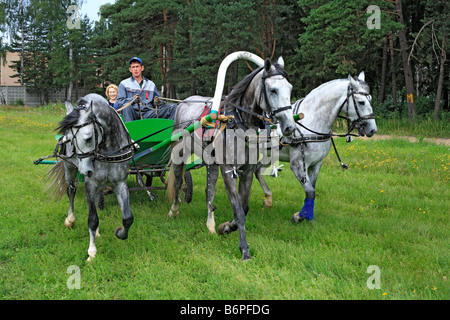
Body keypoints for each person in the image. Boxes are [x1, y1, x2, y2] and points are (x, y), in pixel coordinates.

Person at [116, 57, 177, 122]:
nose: (135, 69)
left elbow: (157, 104)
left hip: (148, 113)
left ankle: (170, 130)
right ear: (130, 69)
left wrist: (159, 101)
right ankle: (130, 131)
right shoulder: (124, 84)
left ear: (142, 68)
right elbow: (120, 102)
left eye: (137, 67)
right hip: (133, 113)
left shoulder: (151, 84)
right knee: (126, 107)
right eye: (133, 67)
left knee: (173, 107)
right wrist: (132, 100)